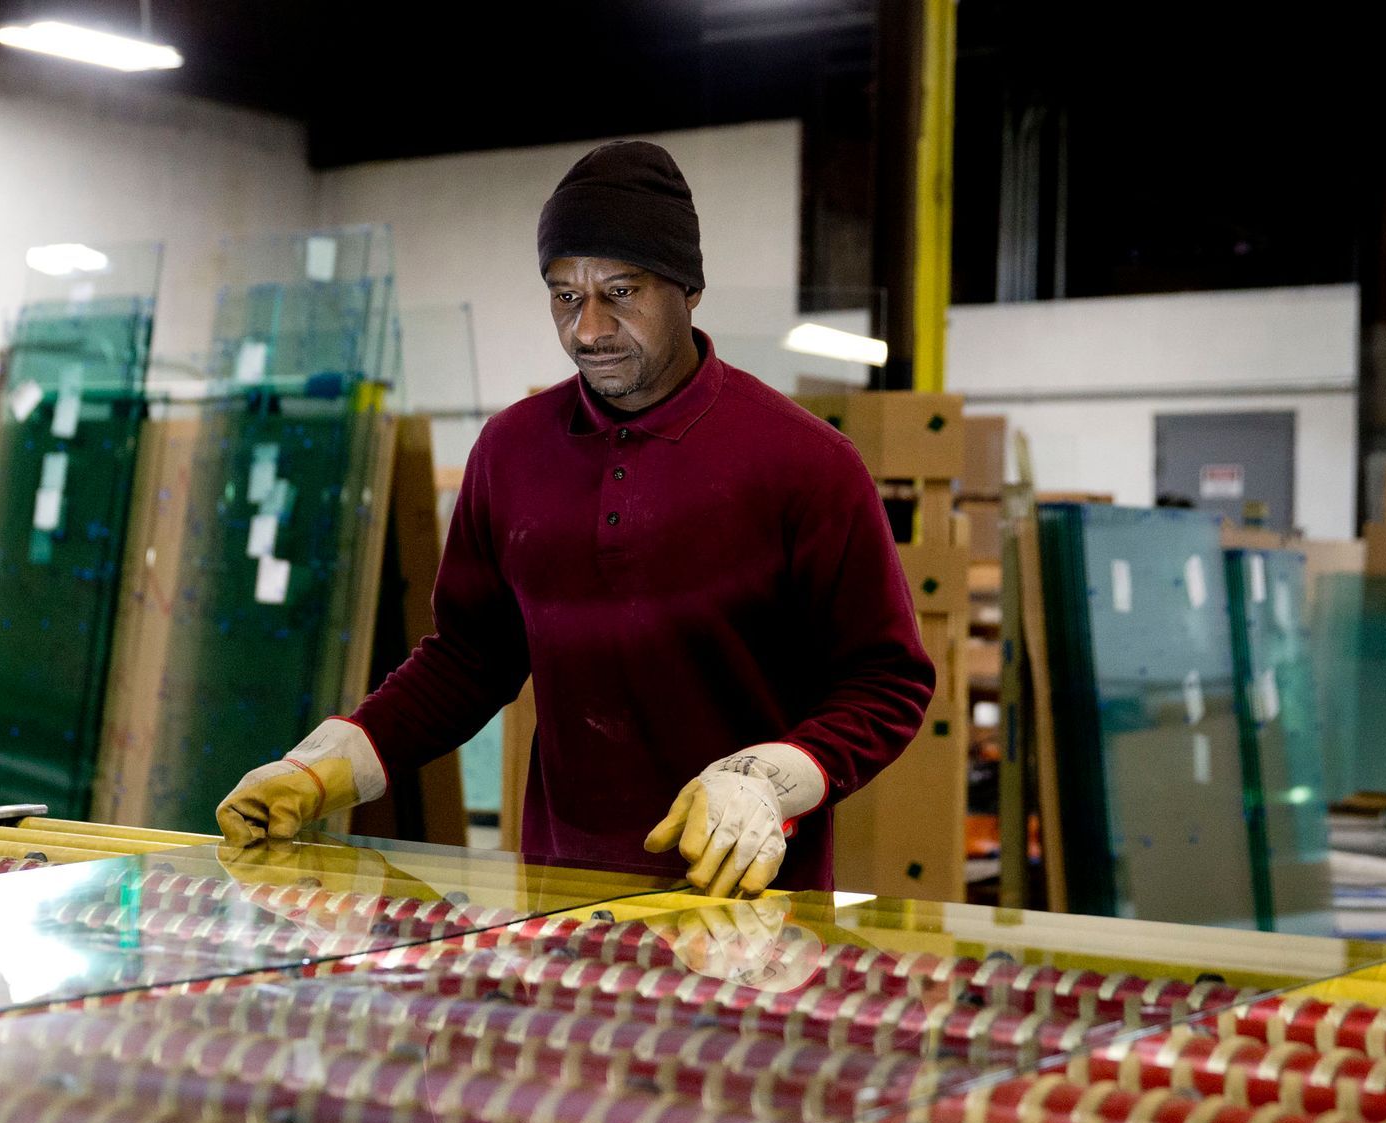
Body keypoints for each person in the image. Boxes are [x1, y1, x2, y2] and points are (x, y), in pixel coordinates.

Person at [218, 140, 934, 897]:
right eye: (565, 296)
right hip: (559, 904)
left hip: (748, 910)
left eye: (620, 292)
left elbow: (886, 683)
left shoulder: (806, 462)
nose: (588, 329)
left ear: (687, 289)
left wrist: (765, 782)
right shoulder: (511, 451)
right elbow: (469, 659)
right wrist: (321, 768)